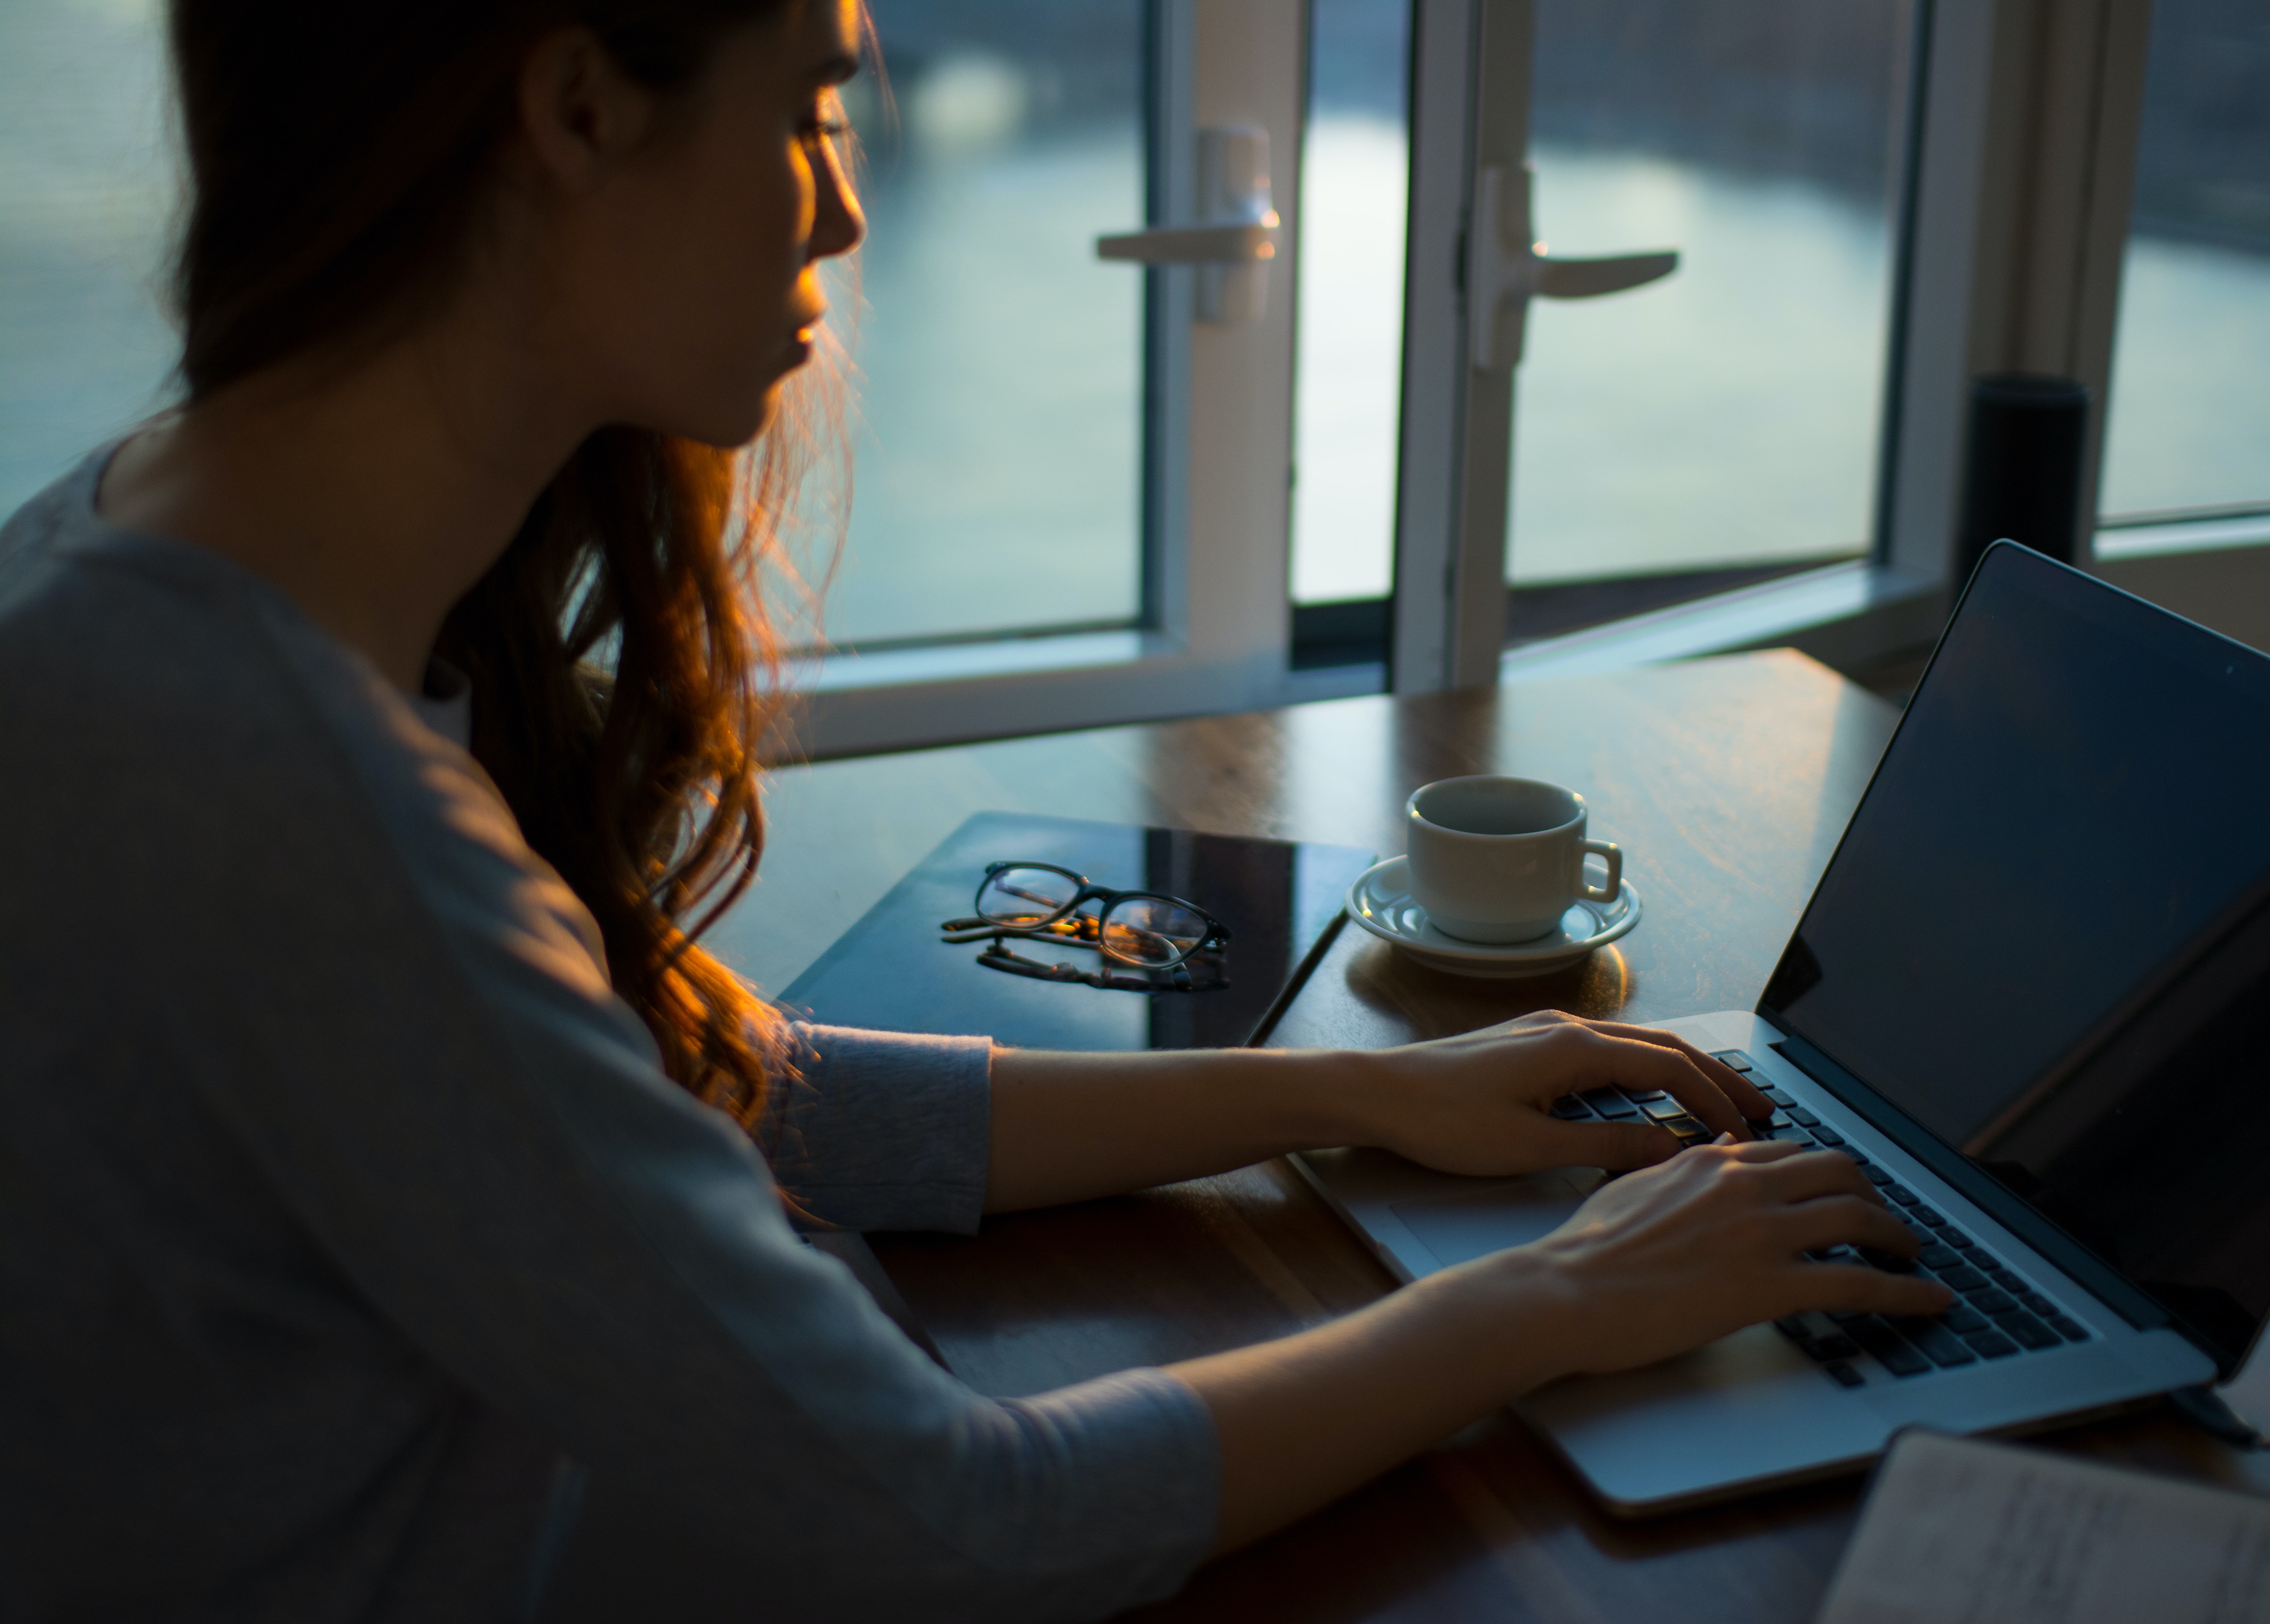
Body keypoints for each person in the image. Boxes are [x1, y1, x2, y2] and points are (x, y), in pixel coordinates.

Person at [0, 0, 1951, 1616]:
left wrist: (1343, 1096)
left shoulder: (132, 555)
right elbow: (962, 1520)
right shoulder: (300, 811)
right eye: (813, 102)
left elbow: (672, 1086)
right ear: (579, 100)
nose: (843, 211)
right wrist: (1548, 1300)